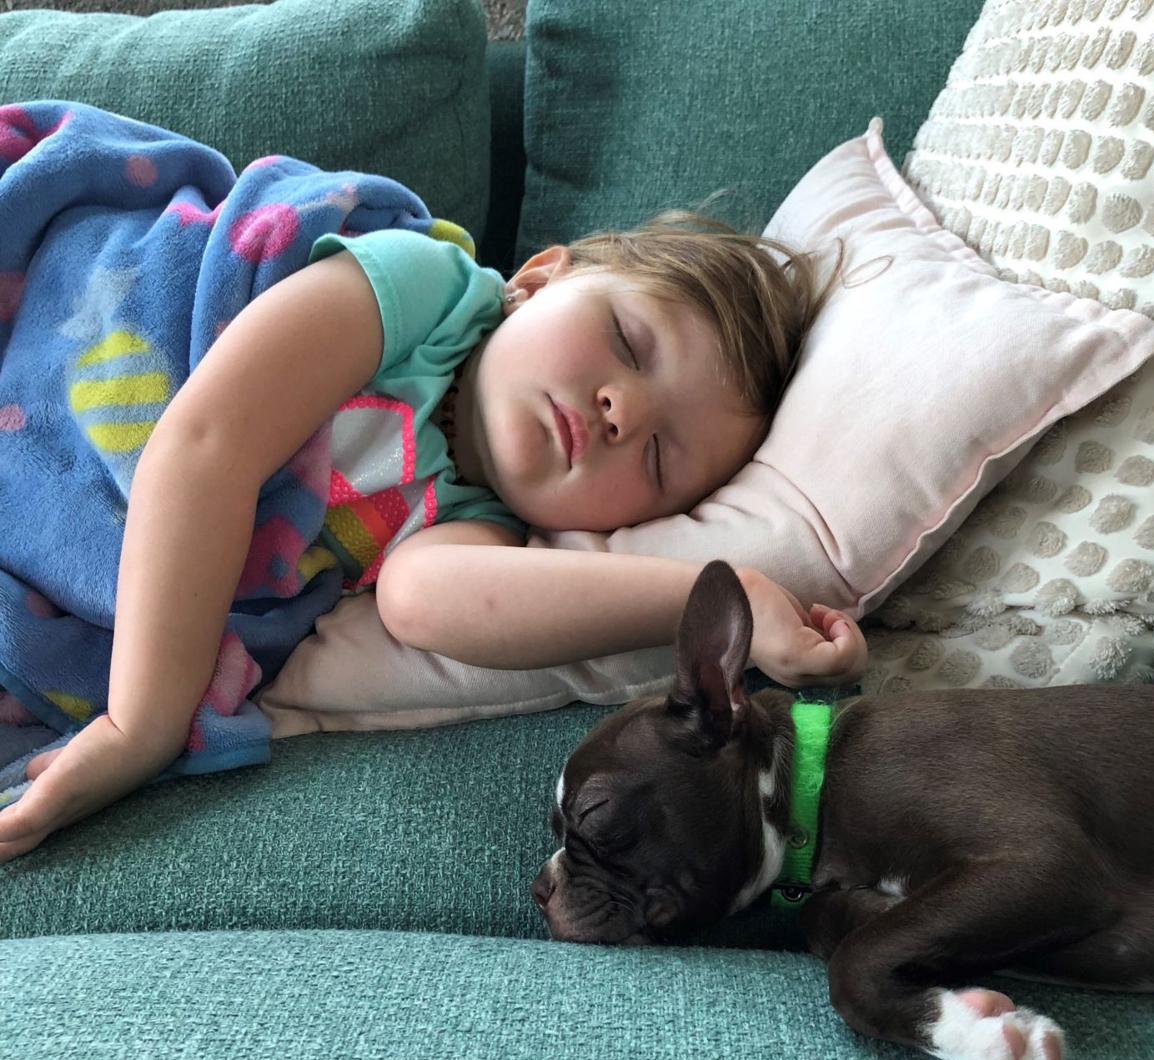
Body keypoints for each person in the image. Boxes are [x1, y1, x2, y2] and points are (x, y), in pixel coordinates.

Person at [0, 213, 866, 861]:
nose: (621, 410)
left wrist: (726, 596)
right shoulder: (418, 289)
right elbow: (202, 446)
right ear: (537, 277)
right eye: (629, 342)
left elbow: (424, 604)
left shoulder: (468, 524)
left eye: (658, 457)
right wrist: (139, 727)